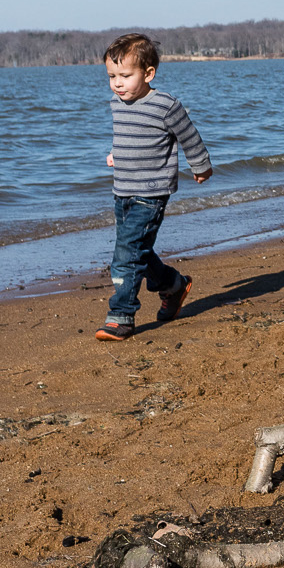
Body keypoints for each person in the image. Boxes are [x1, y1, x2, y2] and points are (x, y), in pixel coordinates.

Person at [98, 32, 214, 343]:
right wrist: (116, 154)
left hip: (151, 193)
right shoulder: (116, 103)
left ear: (148, 74)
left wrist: (200, 165)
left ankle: (121, 315)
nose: (117, 83)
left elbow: (189, 136)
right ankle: (173, 286)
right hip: (121, 189)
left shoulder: (165, 105)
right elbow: (128, 135)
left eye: (125, 75)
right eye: (112, 76)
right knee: (138, 250)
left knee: (126, 255)